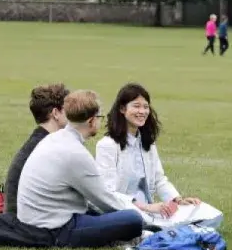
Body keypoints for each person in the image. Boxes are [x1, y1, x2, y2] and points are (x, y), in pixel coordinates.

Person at [16, 89, 147, 248]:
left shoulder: (54, 138)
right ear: (91, 121)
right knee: (132, 219)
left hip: (34, 221)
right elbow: (105, 201)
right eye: (100, 118)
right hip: (54, 230)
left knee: (104, 215)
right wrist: (147, 216)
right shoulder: (76, 153)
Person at [95, 83, 223, 229]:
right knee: (136, 220)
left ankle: (173, 230)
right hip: (127, 211)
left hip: (154, 211)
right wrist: (145, 207)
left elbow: (159, 179)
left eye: (146, 106)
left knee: (210, 213)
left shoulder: (147, 142)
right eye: (136, 106)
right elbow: (108, 193)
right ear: (122, 109)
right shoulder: (107, 145)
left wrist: (178, 200)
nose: (142, 111)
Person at [3, 83, 69, 215]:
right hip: (27, 221)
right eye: (69, 109)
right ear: (56, 113)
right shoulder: (47, 146)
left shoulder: (38, 141)